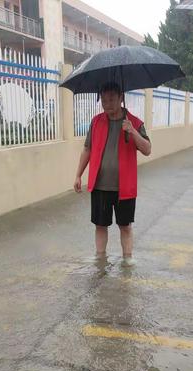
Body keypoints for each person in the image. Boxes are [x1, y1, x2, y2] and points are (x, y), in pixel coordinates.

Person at [73, 83, 151, 265]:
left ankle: (127, 260)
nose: (107, 104)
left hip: (125, 187)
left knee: (125, 226)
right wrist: (78, 175)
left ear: (121, 97)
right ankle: (100, 258)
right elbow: (87, 149)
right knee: (100, 225)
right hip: (100, 185)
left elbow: (147, 149)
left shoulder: (135, 122)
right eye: (104, 100)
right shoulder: (96, 121)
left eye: (111, 99)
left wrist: (132, 131)